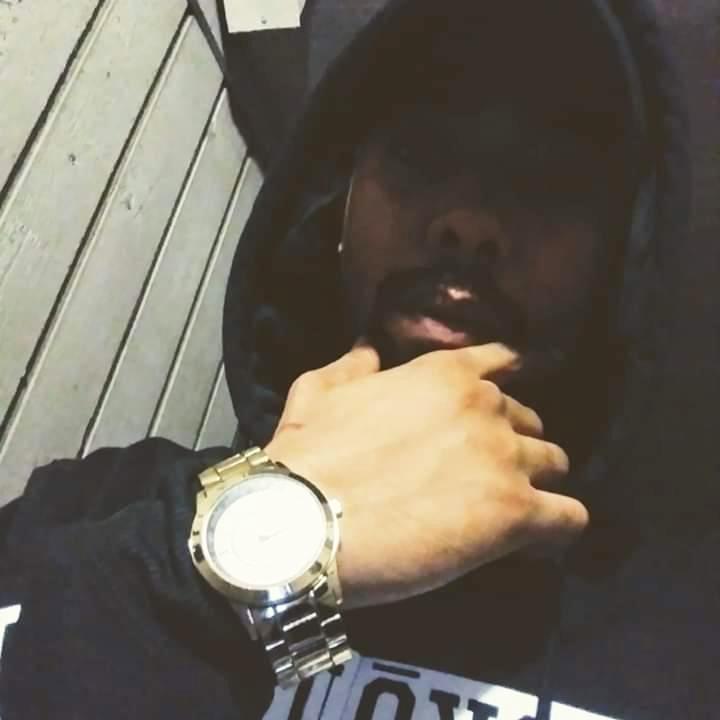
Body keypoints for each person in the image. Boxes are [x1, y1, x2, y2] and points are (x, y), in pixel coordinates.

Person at [0, 0, 696, 718]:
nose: (470, 222)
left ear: (617, 268)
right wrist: (208, 576)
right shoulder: (90, 505)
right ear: (339, 206)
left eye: (551, 181)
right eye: (424, 154)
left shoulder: (693, 641)